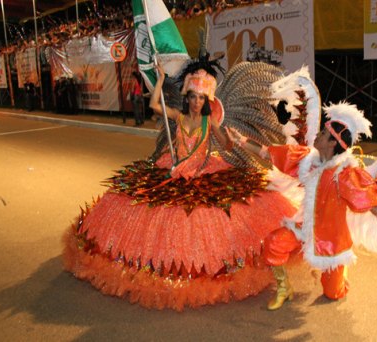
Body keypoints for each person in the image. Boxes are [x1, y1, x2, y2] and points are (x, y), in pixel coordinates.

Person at [62, 57, 297, 311]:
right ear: (187, 98)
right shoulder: (177, 116)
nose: (196, 102)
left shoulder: (210, 122)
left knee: (207, 213)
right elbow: (154, 104)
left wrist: (230, 139)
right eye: (193, 97)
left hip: (203, 168)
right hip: (174, 167)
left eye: (201, 98)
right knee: (151, 204)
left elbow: (227, 145)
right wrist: (161, 80)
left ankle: (204, 264)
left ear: (208, 101)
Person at [229, 104, 377, 310]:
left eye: (324, 133)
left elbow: (376, 208)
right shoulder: (306, 160)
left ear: (332, 143)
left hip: (331, 242)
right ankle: (284, 288)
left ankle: (339, 274)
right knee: (273, 243)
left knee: (333, 293)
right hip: (305, 228)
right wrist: (242, 141)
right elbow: (267, 153)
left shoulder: (345, 176)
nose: (318, 135)